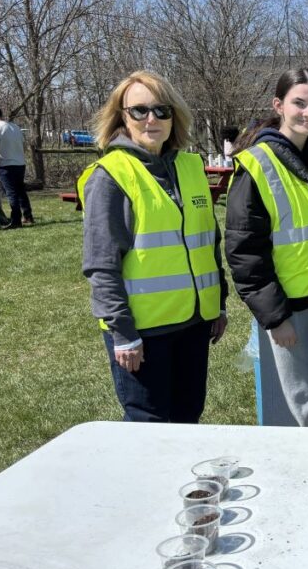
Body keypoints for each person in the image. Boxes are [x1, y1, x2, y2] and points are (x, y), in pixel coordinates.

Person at [77, 70, 229, 423]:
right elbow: (101, 265)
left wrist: (217, 304)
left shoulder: (190, 168)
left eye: (162, 110)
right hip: (143, 334)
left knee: (189, 417)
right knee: (150, 427)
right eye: (139, 111)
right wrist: (123, 334)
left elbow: (208, 242)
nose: (152, 119)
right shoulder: (111, 176)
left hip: (193, 324)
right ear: (121, 117)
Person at [224, 69, 308, 427]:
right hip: (288, 309)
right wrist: (275, 317)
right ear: (279, 106)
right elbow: (245, 252)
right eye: (299, 103)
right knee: (301, 398)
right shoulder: (257, 166)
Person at [0, 107, 34, 229]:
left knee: (11, 193)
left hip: (6, 165)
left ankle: (16, 220)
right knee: (21, 191)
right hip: (20, 163)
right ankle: (28, 216)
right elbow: (23, 146)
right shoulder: (15, 127)